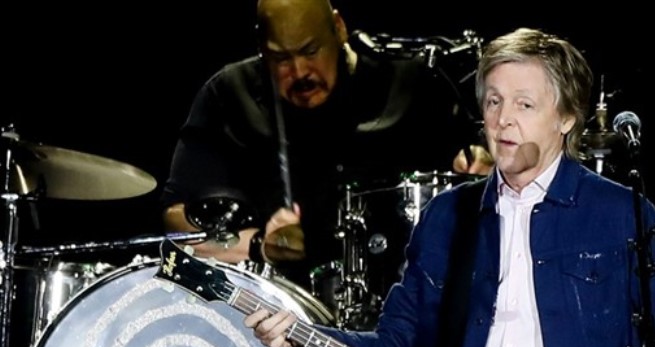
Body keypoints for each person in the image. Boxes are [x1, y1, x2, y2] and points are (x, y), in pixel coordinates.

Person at [245, 27, 655, 347]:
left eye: (524, 104)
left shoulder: (620, 213)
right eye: (494, 102)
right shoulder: (447, 217)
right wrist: (305, 338)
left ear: (566, 118)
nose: (503, 120)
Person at [161, 0, 492, 287]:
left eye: (310, 51)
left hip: (406, 296)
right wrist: (258, 245)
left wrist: (481, 164)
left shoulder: (410, 83)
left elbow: (480, 166)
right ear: (261, 46)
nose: (299, 71)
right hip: (278, 308)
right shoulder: (229, 96)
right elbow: (177, 221)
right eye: (281, 58)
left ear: (339, 28)